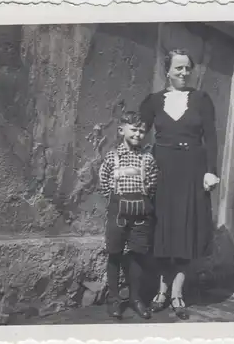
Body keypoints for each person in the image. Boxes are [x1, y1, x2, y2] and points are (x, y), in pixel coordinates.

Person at [139, 49, 220, 320]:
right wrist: (134, 165)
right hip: (161, 169)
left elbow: (210, 137)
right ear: (167, 71)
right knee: (162, 230)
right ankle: (160, 293)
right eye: (178, 69)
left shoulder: (201, 99)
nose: (184, 73)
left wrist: (211, 171)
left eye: (187, 68)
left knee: (187, 231)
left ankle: (177, 294)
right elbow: (137, 132)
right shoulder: (153, 101)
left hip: (192, 171)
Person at [98, 110, 159, 320]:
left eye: (142, 131)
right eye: (133, 130)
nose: (138, 134)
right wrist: (115, 200)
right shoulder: (112, 157)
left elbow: (152, 185)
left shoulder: (147, 158)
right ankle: (114, 299)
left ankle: (135, 298)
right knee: (114, 254)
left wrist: (141, 201)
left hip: (141, 213)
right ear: (121, 130)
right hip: (118, 211)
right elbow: (104, 181)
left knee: (137, 255)